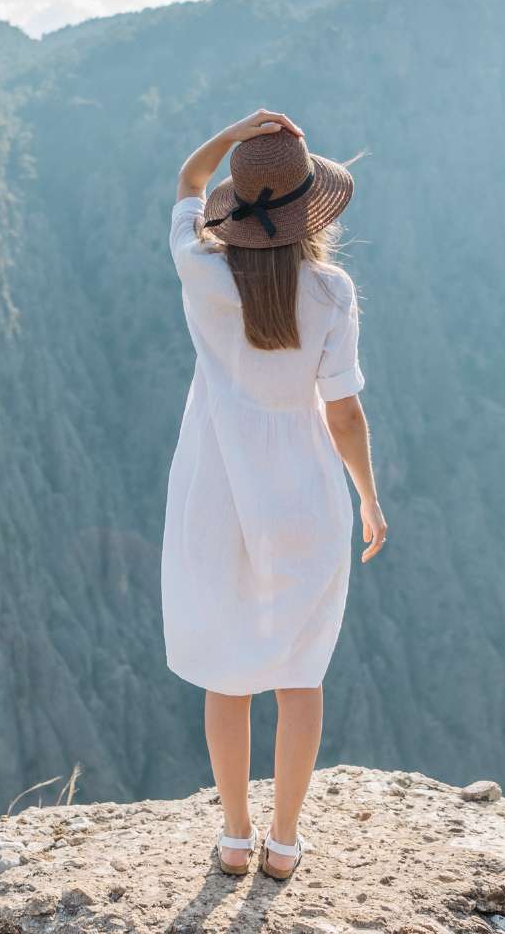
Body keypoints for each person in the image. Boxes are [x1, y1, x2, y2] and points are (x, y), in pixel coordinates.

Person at [161, 108, 389, 881]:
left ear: (237, 204)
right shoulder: (330, 291)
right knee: (300, 672)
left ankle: (233, 836)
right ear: (307, 211)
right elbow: (345, 412)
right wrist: (369, 495)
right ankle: (284, 844)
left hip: (215, 492)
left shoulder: (200, 268)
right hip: (304, 492)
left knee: (228, 671)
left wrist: (231, 135)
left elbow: (188, 183)